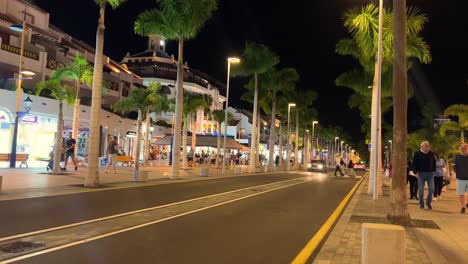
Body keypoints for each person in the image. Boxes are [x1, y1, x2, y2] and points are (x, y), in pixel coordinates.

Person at [412, 141, 436, 210]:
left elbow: (434, 162)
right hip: (420, 174)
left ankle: (428, 202)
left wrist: (434, 171)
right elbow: (414, 164)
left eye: (428, 146)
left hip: (430, 174)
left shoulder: (431, 153)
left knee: (431, 189)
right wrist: (415, 172)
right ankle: (421, 203)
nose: (427, 147)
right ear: (421, 146)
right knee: (421, 190)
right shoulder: (417, 154)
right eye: (425, 146)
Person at [453, 143, 468, 214]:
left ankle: (467, 203)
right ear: (460, 149)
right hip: (460, 178)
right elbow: (453, 167)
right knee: (461, 193)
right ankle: (463, 207)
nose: (463, 149)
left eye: (465, 148)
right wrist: (458, 173)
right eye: (462, 148)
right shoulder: (456, 157)